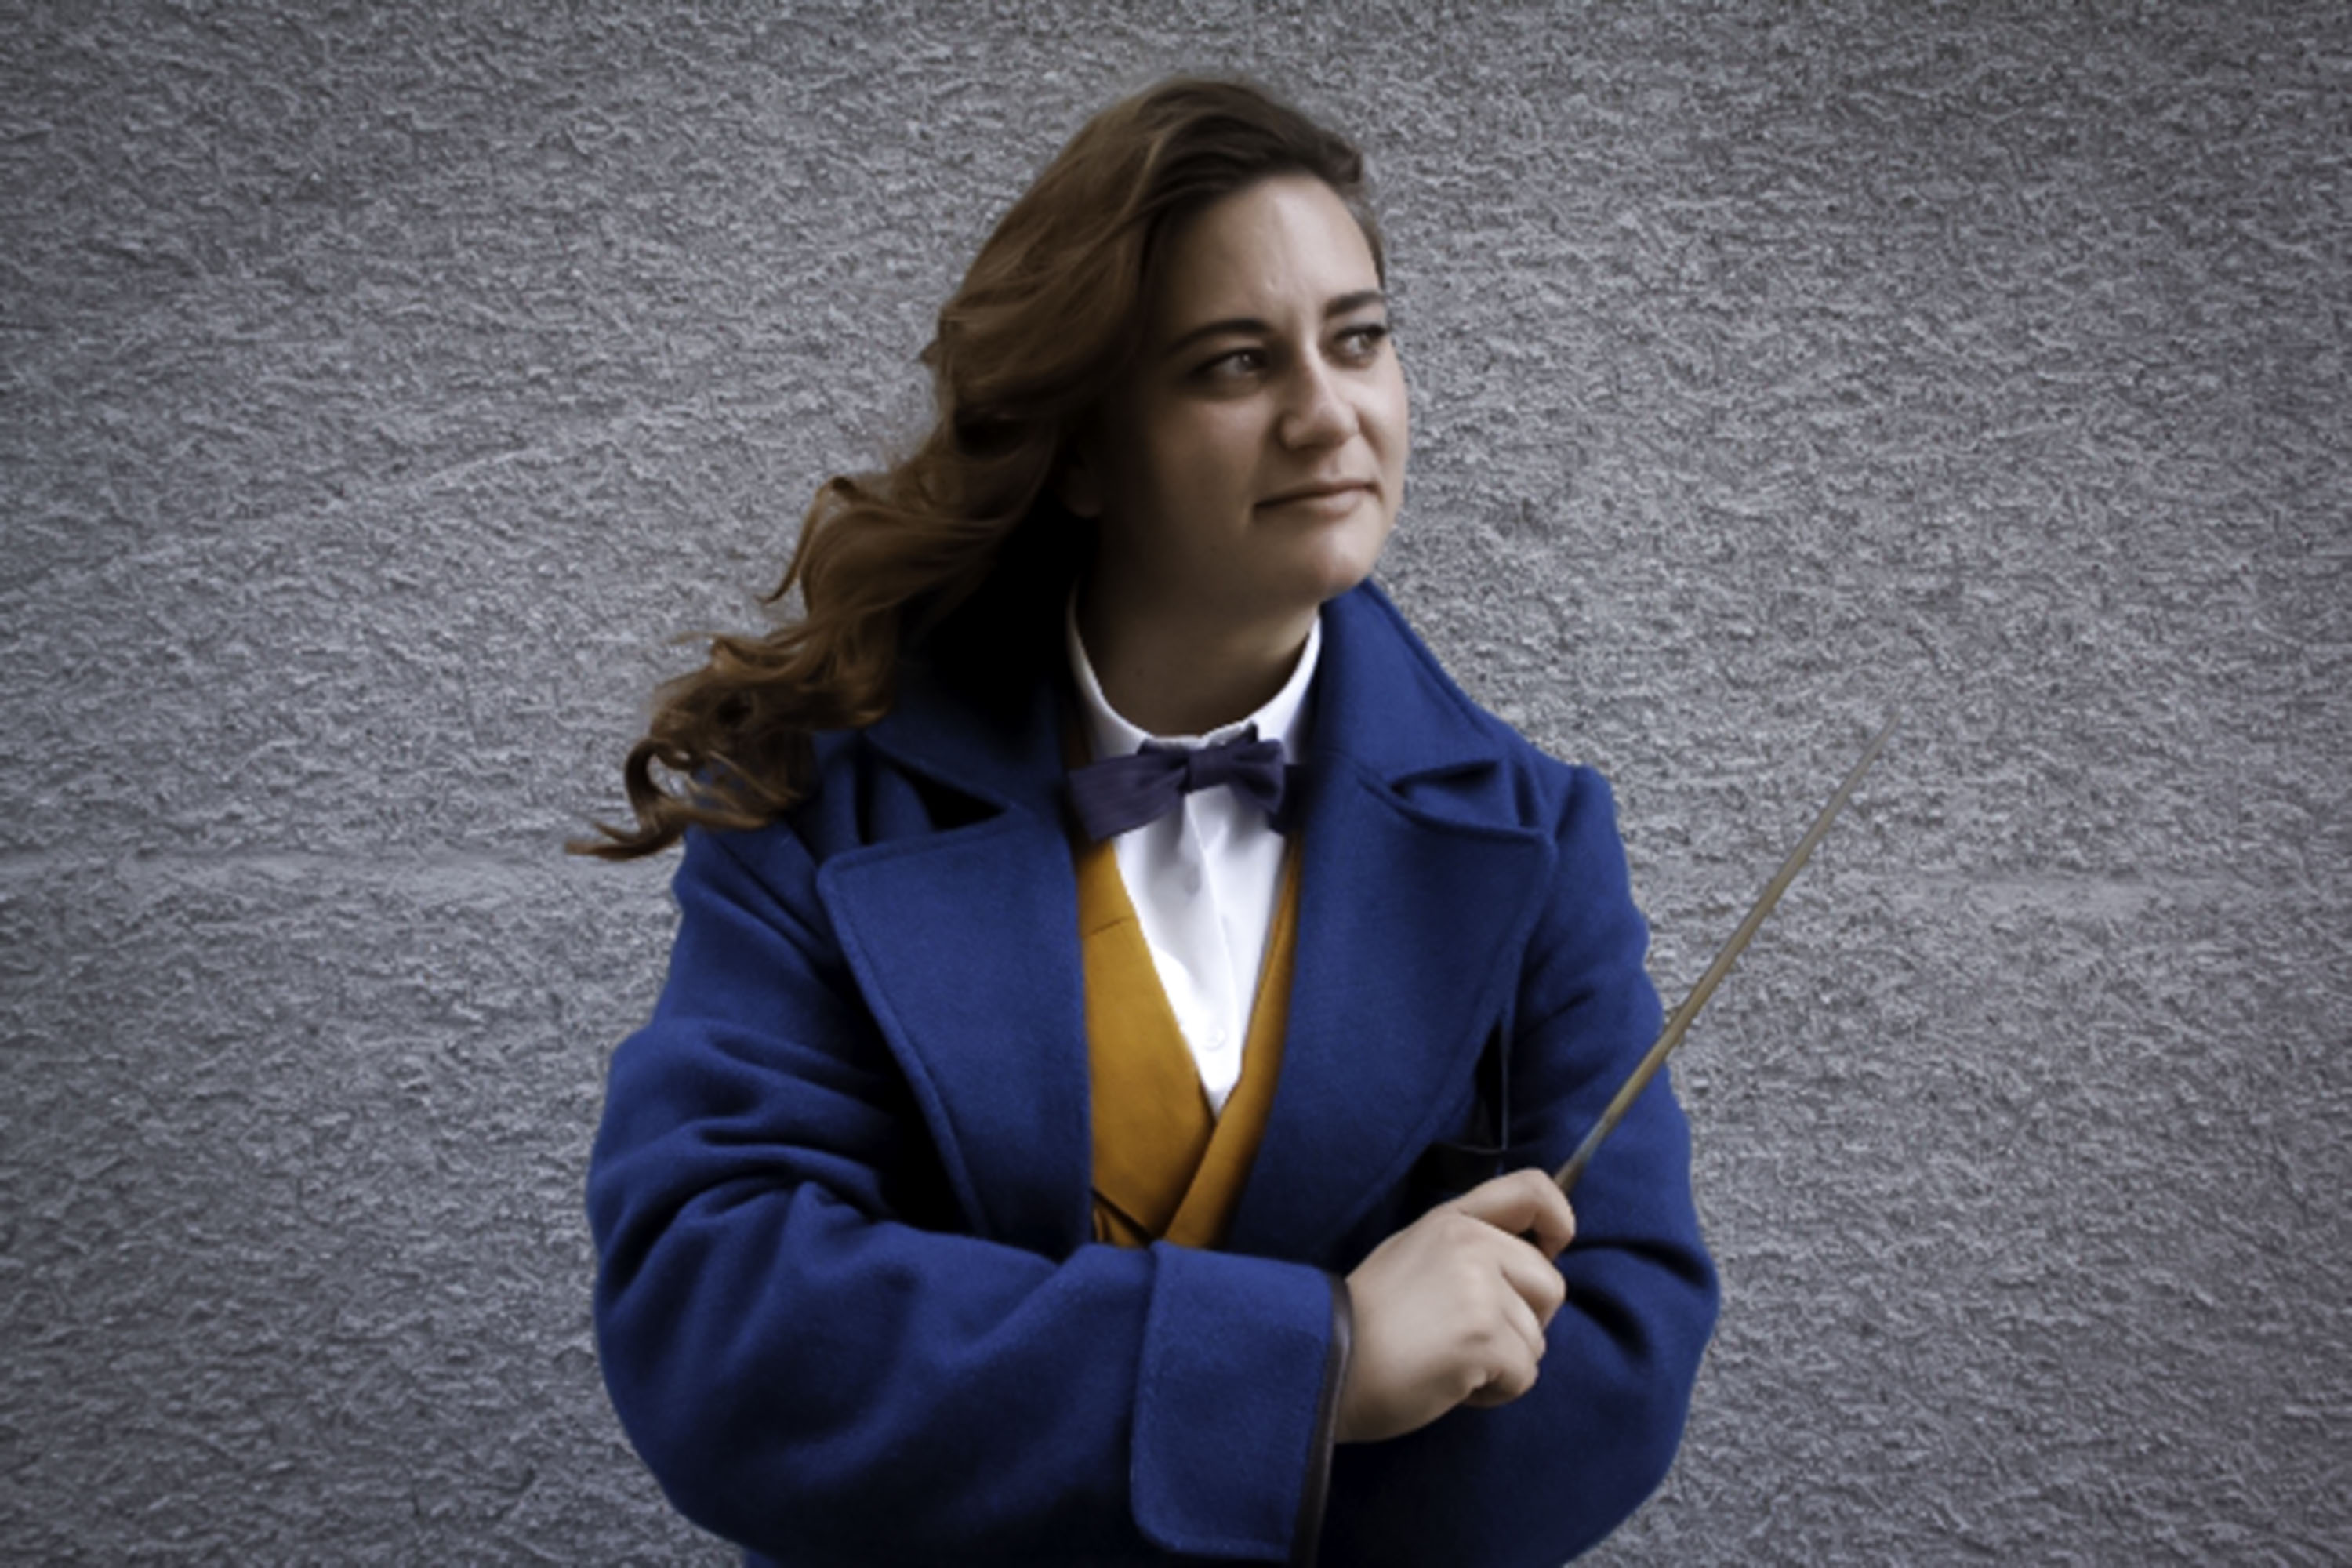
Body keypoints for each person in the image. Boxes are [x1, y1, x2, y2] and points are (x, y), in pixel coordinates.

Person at [581, 76, 1715, 1567]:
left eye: (1359, 339)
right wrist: (1312, 1369)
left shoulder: (1539, 840)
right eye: (1236, 363)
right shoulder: (823, 801)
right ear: (1083, 449)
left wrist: (1041, 1443)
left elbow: (1612, 1372)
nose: (1328, 414)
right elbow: (718, 1327)